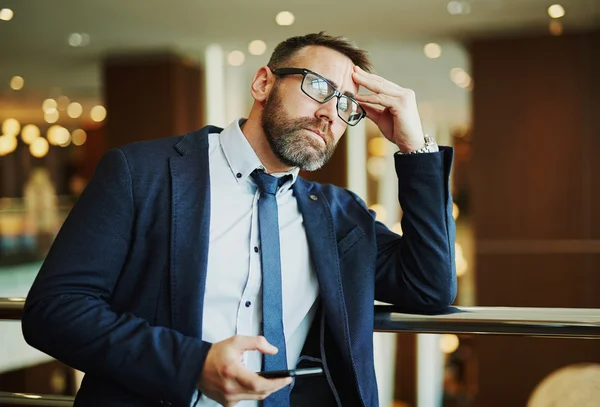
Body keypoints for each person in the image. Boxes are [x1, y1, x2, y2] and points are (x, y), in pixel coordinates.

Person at [22, 32, 456, 407]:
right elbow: (55, 310)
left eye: (347, 106)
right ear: (263, 82)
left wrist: (414, 147)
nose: (331, 113)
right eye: (319, 87)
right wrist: (192, 365)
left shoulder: (340, 215)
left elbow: (429, 286)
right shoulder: (141, 173)